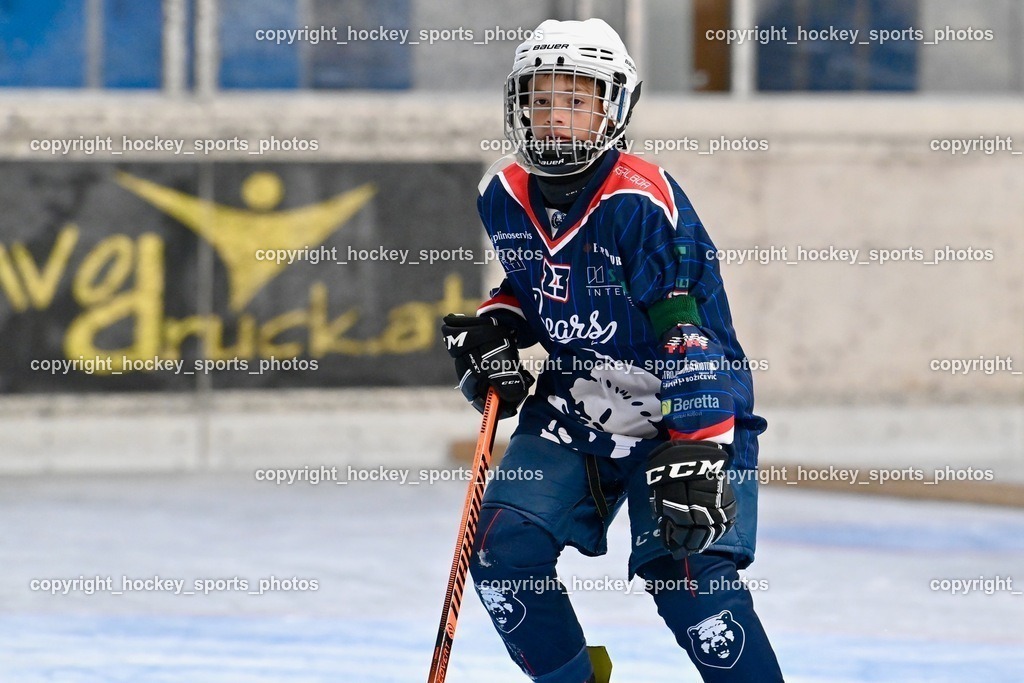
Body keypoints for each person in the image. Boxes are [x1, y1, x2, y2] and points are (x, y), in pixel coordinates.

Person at [441, 18, 784, 683]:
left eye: (577, 100)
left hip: (684, 411)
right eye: (542, 100)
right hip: (583, 404)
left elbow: (688, 333)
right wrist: (496, 329)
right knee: (502, 549)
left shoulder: (638, 200)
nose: (556, 117)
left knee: (691, 581)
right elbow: (533, 285)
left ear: (613, 108)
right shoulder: (503, 193)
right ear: (518, 106)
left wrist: (702, 449)